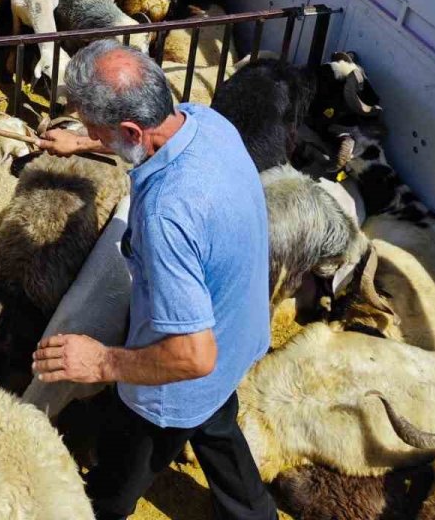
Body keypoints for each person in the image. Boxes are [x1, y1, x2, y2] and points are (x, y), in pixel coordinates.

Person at [34, 40, 276, 520]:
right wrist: (81, 143)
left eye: (92, 126)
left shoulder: (169, 212)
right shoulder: (205, 122)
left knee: (122, 469)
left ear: (127, 128)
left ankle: (98, 508)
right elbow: (139, 138)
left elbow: (192, 356)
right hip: (238, 329)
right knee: (217, 423)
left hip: (175, 380)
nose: (87, 131)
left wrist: (101, 361)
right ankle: (255, 513)